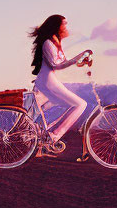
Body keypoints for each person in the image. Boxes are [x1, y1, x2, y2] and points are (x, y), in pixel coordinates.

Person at [29, 14, 91, 155]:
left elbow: (64, 61)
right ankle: (54, 136)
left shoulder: (54, 42)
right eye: (65, 24)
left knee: (54, 107)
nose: (67, 27)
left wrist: (80, 59)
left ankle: (42, 141)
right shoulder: (48, 43)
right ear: (57, 27)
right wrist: (79, 57)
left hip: (46, 81)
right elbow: (57, 65)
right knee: (81, 104)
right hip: (48, 82)